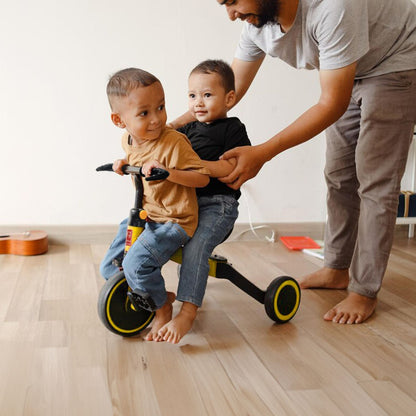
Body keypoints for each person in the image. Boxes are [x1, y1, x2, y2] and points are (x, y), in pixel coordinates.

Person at [171, 0, 416, 324]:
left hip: (395, 61)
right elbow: (226, 91)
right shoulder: (257, 22)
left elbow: (331, 102)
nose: (231, 15)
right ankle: (337, 269)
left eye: (232, 1)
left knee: (375, 182)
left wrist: (263, 152)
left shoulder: (333, 7)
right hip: (352, 68)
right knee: (339, 177)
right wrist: (167, 129)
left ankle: (363, 291)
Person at [101, 67, 211, 341]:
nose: (156, 119)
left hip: (175, 221)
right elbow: (136, 158)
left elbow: (202, 179)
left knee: (135, 264)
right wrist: (123, 164)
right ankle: (153, 293)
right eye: (144, 113)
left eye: (160, 107)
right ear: (119, 120)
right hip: (148, 215)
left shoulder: (174, 143)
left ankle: (162, 306)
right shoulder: (128, 139)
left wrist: (168, 172)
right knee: (111, 266)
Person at [157, 59, 251, 343]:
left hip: (218, 205)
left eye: (207, 95)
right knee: (154, 234)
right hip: (188, 203)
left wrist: (196, 167)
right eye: (192, 95)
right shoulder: (186, 131)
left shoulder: (232, 128)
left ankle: (186, 313)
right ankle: (156, 296)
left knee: (196, 247)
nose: (198, 102)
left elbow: (231, 168)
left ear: (229, 98)